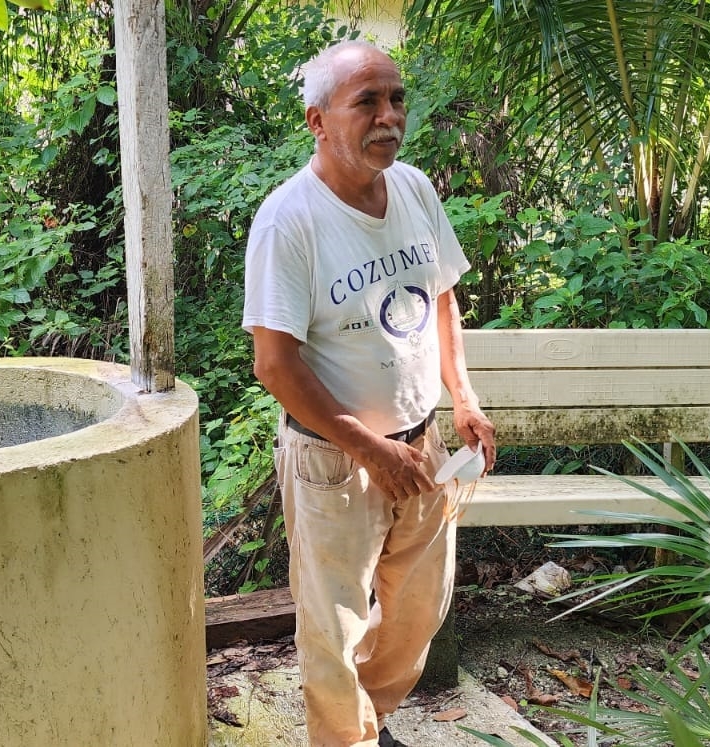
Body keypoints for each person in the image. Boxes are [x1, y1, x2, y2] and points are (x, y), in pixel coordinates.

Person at [241, 39, 497, 747]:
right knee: (334, 630)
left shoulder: (414, 187)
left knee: (418, 615)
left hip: (423, 448)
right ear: (317, 120)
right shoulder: (288, 221)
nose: (389, 116)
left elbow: (442, 298)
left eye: (396, 98)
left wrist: (465, 398)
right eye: (367, 102)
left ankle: (369, 722)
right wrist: (369, 447)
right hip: (335, 462)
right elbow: (275, 364)